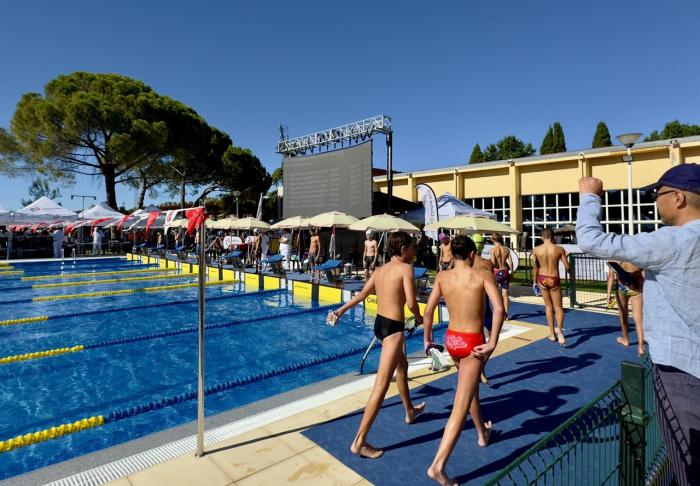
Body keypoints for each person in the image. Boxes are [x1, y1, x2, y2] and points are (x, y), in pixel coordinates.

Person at [576, 165, 700, 485]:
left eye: (656, 195)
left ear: (679, 198)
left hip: (681, 370)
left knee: (688, 464)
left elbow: (591, 239)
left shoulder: (673, 240)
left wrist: (590, 196)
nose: (654, 202)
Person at [329, 231, 426, 459]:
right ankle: (360, 441)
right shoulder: (405, 269)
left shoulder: (380, 270)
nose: (414, 251)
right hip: (393, 329)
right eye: (412, 247)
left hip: (380, 325)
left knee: (402, 367)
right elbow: (411, 304)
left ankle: (410, 410)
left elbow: (362, 294)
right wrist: (421, 319)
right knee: (381, 386)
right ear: (403, 249)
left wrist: (340, 311)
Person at [423, 235, 505, 486]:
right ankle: (438, 466)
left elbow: (428, 311)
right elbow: (499, 309)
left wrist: (427, 341)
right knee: (459, 407)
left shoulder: (442, 277)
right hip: (472, 344)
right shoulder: (481, 275)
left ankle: (482, 433)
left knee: (470, 392)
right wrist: (492, 342)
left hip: (452, 341)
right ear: (471, 254)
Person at [531, 228, 570, 345]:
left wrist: (534, 281)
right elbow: (567, 267)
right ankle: (560, 331)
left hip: (542, 278)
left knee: (548, 306)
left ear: (542, 237)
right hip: (554, 278)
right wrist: (571, 274)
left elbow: (535, 267)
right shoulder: (559, 249)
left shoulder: (536, 249)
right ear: (553, 237)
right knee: (558, 307)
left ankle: (552, 334)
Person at [607, 261, 645, 356]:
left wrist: (608, 294)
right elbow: (644, 276)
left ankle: (625, 339)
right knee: (638, 319)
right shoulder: (637, 257)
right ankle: (641, 347)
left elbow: (611, 277)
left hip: (622, 289)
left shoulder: (614, 257)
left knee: (623, 314)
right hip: (637, 289)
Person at [472, 234, 494, 385]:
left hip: (471, 305)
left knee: (478, 339)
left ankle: (479, 369)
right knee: (491, 339)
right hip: (483, 304)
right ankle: (480, 369)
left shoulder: (463, 264)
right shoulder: (487, 263)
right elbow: (493, 287)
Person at [489, 234, 513, 319]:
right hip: (505, 271)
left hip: (496, 272)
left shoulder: (493, 250)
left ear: (493, 240)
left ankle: (498, 312)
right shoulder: (506, 250)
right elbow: (510, 263)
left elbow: (492, 262)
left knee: (495, 294)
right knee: (505, 295)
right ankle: (506, 315)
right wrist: (511, 272)